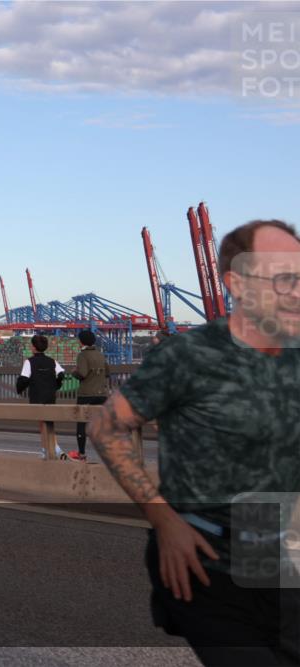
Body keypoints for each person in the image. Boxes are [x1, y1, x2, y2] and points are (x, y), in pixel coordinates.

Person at [89, 219, 300, 666]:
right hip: (207, 563)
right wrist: (165, 522)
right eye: (282, 277)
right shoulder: (191, 356)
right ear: (236, 283)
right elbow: (107, 427)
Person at [16, 334, 65, 459]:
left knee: (42, 423)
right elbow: (61, 374)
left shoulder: (29, 362)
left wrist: (19, 389)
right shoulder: (52, 361)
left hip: (37, 395)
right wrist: (56, 386)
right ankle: (50, 448)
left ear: (33, 347)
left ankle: (50, 449)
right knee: (49, 422)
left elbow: (24, 379)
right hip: (50, 395)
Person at [71, 330, 110, 462]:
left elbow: (82, 373)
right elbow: (108, 372)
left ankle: (81, 454)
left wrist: (74, 372)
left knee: (82, 423)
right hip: (102, 394)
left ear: (81, 341)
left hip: (86, 394)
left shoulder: (82, 355)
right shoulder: (100, 354)